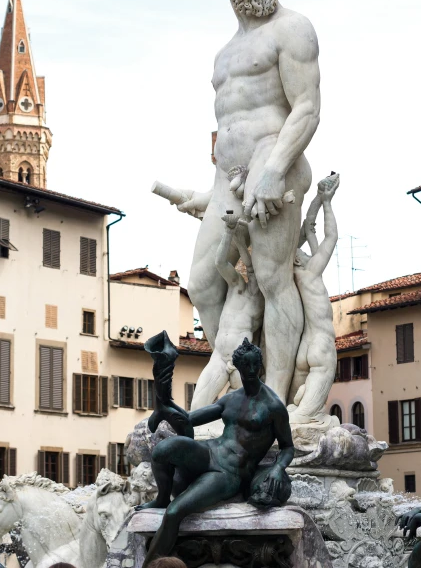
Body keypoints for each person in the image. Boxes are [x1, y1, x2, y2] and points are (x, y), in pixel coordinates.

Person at [164, 0, 321, 403]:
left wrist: (274, 166)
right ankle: (238, 377)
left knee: (273, 279)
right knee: (203, 284)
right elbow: (230, 128)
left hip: (276, 163)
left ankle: (272, 398)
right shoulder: (224, 54)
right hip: (227, 181)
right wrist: (212, 195)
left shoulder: (292, 28)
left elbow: (308, 107)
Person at [138, 338, 294, 567]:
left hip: (229, 472)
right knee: (163, 450)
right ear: (239, 367)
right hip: (210, 451)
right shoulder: (231, 399)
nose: (251, 370)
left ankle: (151, 564)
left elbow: (287, 446)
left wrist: (278, 468)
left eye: (255, 365)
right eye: (246, 365)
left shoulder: (273, 406)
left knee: (174, 513)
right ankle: (161, 497)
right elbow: (190, 419)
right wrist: (163, 400)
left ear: (260, 366)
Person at [190, 213, 264, 409]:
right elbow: (220, 263)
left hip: (243, 366)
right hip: (220, 357)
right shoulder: (237, 285)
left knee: (240, 413)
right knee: (198, 405)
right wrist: (228, 232)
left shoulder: (265, 302)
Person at [287, 173, 339, 423]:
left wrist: (319, 197)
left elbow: (309, 226)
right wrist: (327, 203)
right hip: (321, 343)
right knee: (305, 418)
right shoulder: (310, 271)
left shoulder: (300, 274)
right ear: (298, 259)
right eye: (304, 252)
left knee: (291, 410)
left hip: (304, 349)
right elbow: (332, 238)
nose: (311, 253)